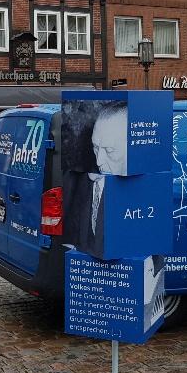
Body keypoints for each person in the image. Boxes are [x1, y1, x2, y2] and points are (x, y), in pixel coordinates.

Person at [62, 103, 127, 258]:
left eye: (109, 150)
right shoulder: (76, 180)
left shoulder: (148, 191)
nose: (99, 161)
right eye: (96, 147)